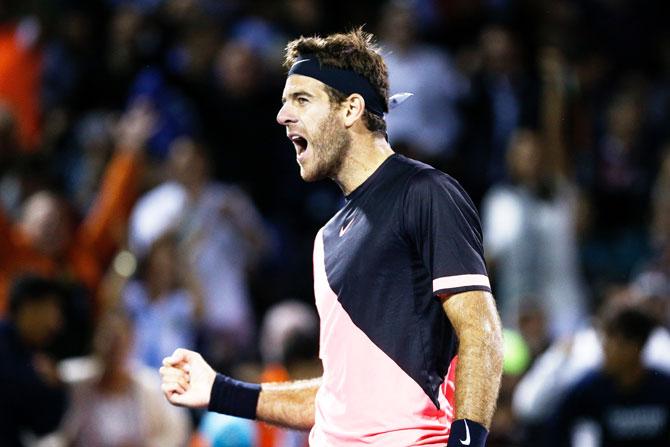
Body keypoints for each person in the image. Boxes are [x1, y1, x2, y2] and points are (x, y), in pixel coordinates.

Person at [161, 28, 503, 447]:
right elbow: (341, 398)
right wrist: (219, 391)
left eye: (301, 100)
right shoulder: (326, 239)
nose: (282, 116)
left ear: (350, 109)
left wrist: (467, 441)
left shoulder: (425, 193)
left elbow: (480, 331)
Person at [549, 305, 670, 446]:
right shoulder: (589, 389)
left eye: (611, 341)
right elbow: (557, 429)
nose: (604, 349)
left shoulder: (664, 390)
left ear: (635, 346)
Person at [0, 275, 67, 446]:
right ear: (29, 306)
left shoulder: (35, 361)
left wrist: (54, 389)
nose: (57, 324)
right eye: (53, 309)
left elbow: (43, 426)